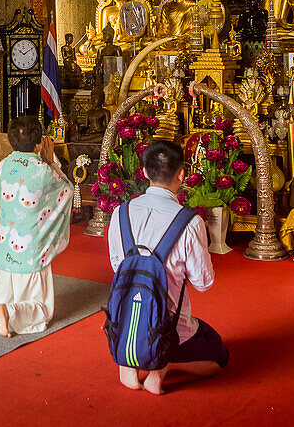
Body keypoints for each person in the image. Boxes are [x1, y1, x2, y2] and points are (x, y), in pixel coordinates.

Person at [108, 141, 227, 395]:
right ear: (181, 175)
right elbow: (204, 284)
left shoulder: (120, 212)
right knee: (220, 355)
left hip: (125, 325)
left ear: (144, 171)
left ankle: (127, 362)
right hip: (170, 333)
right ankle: (166, 365)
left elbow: (118, 267)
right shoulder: (190, 222)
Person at [0, 116, 72, 337]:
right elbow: (66, 190)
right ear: (40, 143)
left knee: (1, 294)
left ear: (11, 142)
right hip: (31, 249)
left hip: (6, 246)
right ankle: (9, 313)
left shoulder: (4, 164)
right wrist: (50, 161)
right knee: (42, 309)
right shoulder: (44, 170)